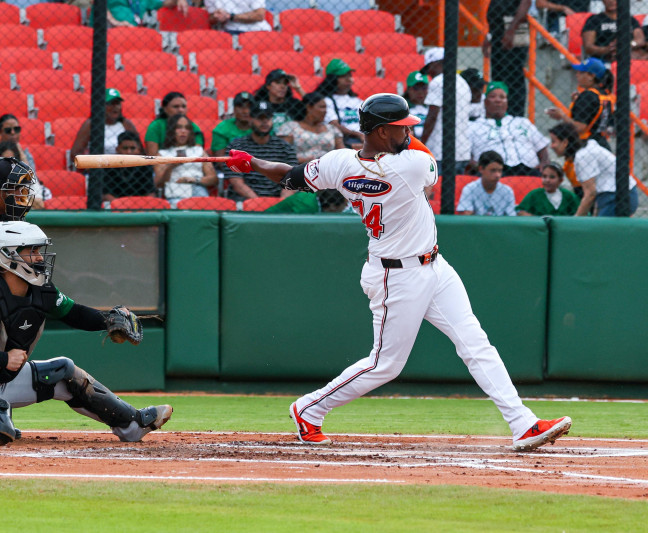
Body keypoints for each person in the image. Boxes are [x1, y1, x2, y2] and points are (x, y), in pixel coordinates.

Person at [222, 93, 572, 451]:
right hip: (396, 277)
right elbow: (422, 161)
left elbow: (292, 176)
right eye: (401, 127)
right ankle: (309, 408)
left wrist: (251, 163)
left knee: (475, 342)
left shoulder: (341, 162)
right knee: (385, 364)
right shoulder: (411, 167)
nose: (408, 132)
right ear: (381, 131)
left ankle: (522, 423)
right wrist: (254, 162)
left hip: (433, 266)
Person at [0, 220, 172, 445]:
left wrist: (109, 320)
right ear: (7, 255)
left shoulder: (42, 291)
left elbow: (75, 313)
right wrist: (4, 359)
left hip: (5, 380)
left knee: (63, 370)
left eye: (39, 250)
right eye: (32, 251)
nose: (40, 257)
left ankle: (132, 424)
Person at [549, 122, 637, 216]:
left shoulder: (583, 156)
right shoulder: (586, 150)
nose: (551, 146)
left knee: (601, 230)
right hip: (619, 194)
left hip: (615, 196)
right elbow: (594, 193)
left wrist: (575, 220)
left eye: (554, 141)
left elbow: (590, 194)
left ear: (565, 142)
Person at [468, 81, 550, 177]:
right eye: (492, 96)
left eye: (502, 97)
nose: (498, 100)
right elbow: (467, 155)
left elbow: (542, 148)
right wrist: (478, 166)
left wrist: (544, 163)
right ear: (485, 102)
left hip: (529, 171)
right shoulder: (473, 126)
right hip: (495, 173)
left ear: (507, 103)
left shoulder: (522, 122)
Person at [223, 100, 298, 203]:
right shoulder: (237, 147)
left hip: (278, 201)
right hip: (246, 201)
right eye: (260, 118)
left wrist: (281, 203)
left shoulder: (285, 148)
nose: (265, 122)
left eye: (268, 118)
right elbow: (236, 182)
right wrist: (258, 202)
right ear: (250, 119)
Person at [419, 47, 472, 174]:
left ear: (436, 63)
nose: (429, 73)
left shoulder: (438, 82)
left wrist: (421, 145)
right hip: (462, 151)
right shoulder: (463, 82)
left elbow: (432, 116)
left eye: (429, 68)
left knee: (439, 190)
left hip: (440, 151)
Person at [545, 58, 614, 151]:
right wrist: (577, 103)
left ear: (591, 76)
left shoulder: (588, 95)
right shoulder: (605, 94)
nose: (577, 75)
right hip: (602, 144)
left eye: (581, 72)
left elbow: (579, 127)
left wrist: (561, 115)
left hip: (587, 146)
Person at [154, 114, 217, 207]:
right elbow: (159, 184)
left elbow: (213, 179)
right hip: (176, 190)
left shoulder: (198, 151)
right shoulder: (162, 154)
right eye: (179, 127)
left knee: (204, 204)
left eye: (186, 128)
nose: (183, 131)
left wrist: (194, 179)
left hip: (197, 187)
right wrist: (171, 166)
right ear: (172, 130)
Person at [483, 0, 531, 117]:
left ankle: (515, 115)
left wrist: (511, 30)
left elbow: (525, 3)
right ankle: (499, 113)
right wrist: (489, 36)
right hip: (497, 35)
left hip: (511, 33)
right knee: (498, 77)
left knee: (513, 77)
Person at [71, 88, 140, 158]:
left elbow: (139, 150)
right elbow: (75, 154)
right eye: (111, 103)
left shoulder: (126, 124)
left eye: (117, 103)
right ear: (101, 105)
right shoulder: (90, 124)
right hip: (99, 165)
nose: (115, 107)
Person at [277, 92, 344, 164]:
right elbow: (282, 155)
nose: (325, 111)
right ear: (309, 107)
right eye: (322, 107)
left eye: (326, 107)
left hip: (328, 169)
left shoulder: (332, 129)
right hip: (299, 168)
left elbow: (343, 154)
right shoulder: (290, 128)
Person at [314, 59, 364, 149]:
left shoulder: (357, 101)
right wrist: (358, 134)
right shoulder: (326, 100)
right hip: (345, 139)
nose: (349, 79)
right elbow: (334, 125)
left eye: (349, 75)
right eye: (344, 76)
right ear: (333, 79)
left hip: (364, 138)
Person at [582, 0, 648, 63]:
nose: (611, 1)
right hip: (603, 59)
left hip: (628, 54)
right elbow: (588, 46)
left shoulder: (629, 19)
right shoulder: (594, 20)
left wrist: (627, 45)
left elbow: (640, 39)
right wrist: (608, 49)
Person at [456, 150, 517, 216]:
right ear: (481, 169)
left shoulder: (507, 191)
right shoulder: (469, 189)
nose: (498, 175)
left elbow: (512, 218)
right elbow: (465, 217)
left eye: (500, 171)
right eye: (493, 170)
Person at [102, 131, 157, 203]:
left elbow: (151, 193)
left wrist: (141, 205)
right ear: (117, 149)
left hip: (140, 204)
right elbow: (105, 194)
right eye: (125, 148)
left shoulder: (145, 166)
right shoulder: (109, 165)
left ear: (139, 150)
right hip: (114, 204)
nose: (128, 152)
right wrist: (120, 205)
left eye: (132, 148)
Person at [253, 69, 305, 136]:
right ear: (268, 86)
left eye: (285, 83)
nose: (282, 86)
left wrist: (298, 88)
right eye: (278, 82)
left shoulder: (294, 104)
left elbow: (313, 107)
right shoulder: (260, 105)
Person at [211, 91, 253, 157]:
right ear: (234, 109)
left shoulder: (260, 127)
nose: (245, 111)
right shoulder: (222, 129)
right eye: (241, 107)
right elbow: (221, 161)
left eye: (249, 107)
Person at [205, 0, 272, 34]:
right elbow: (211, 19)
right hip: (229, 31)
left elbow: (259, 15)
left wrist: (231, 16)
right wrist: (218, 17)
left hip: (257, 30)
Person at [107, 0, 188, 27]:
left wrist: (179, 0)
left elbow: (167, 2)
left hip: (138, 36)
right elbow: (96, 5)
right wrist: (115, 22)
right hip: (112, 35)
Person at [402, 71, 430, 137]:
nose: (420, 92)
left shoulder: (432, 107)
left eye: (424, 88)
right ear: (408, 89)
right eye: (416, 88)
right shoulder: (403, 108)